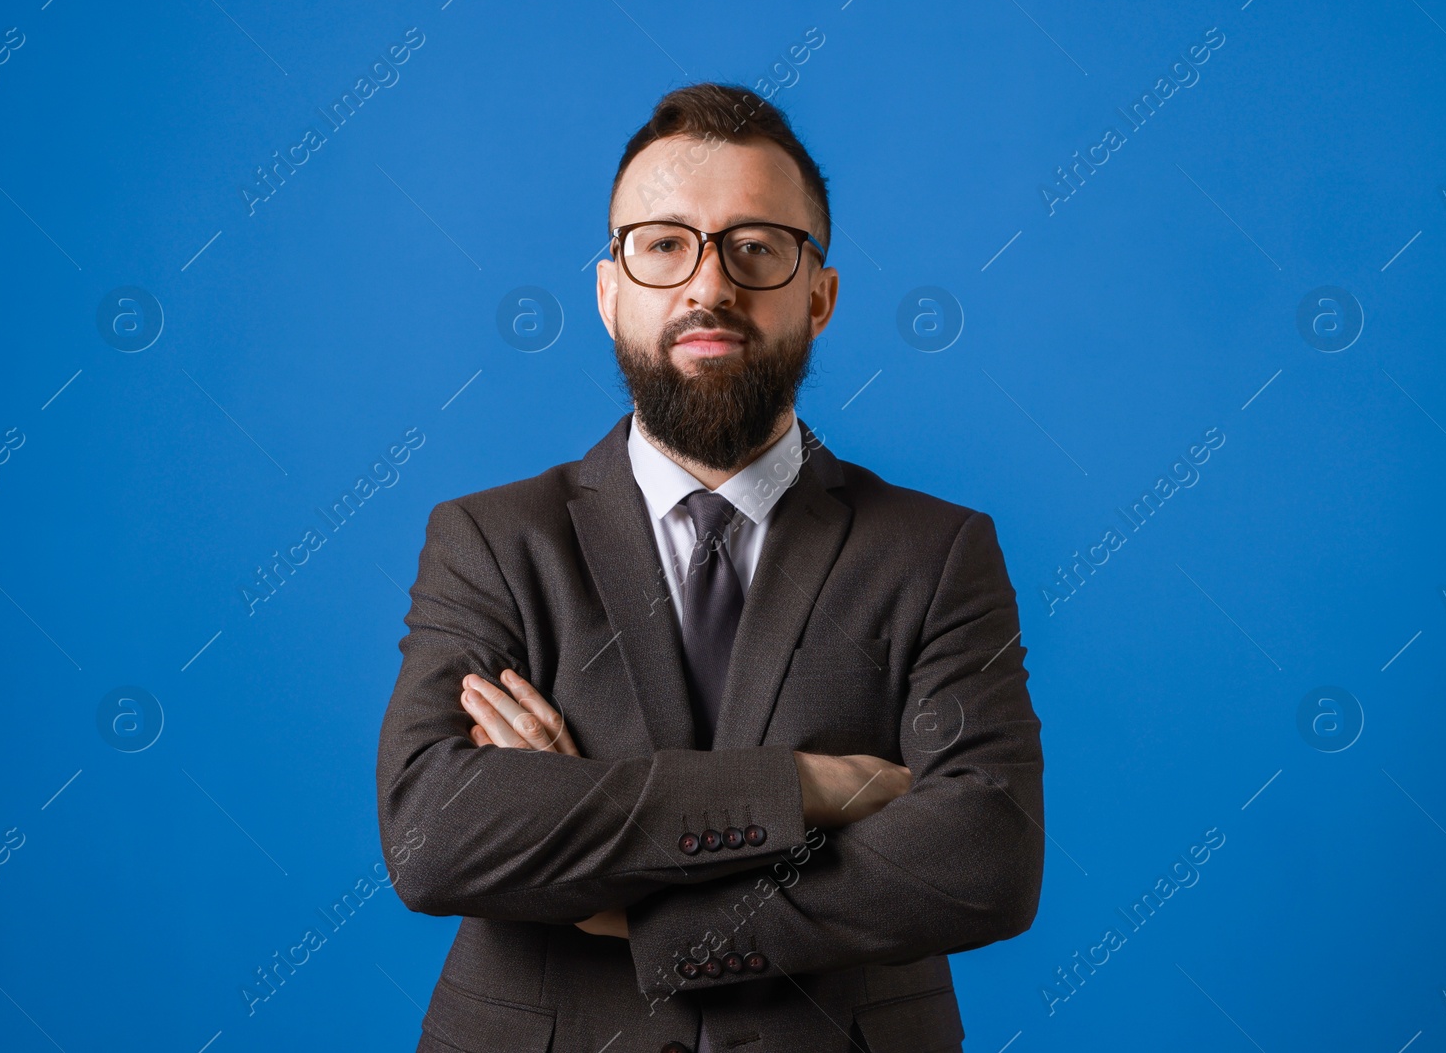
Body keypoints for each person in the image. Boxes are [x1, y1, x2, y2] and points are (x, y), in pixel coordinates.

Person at [376, 81, 1044, 1053]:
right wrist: (802, 788)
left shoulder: (936, 551)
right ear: (610, 292)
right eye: (663, 243)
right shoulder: (489, 539)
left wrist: (636, 901)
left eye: (755, 248)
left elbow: (984, 851)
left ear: (818, 296)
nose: (708, 288)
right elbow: (434, 836)